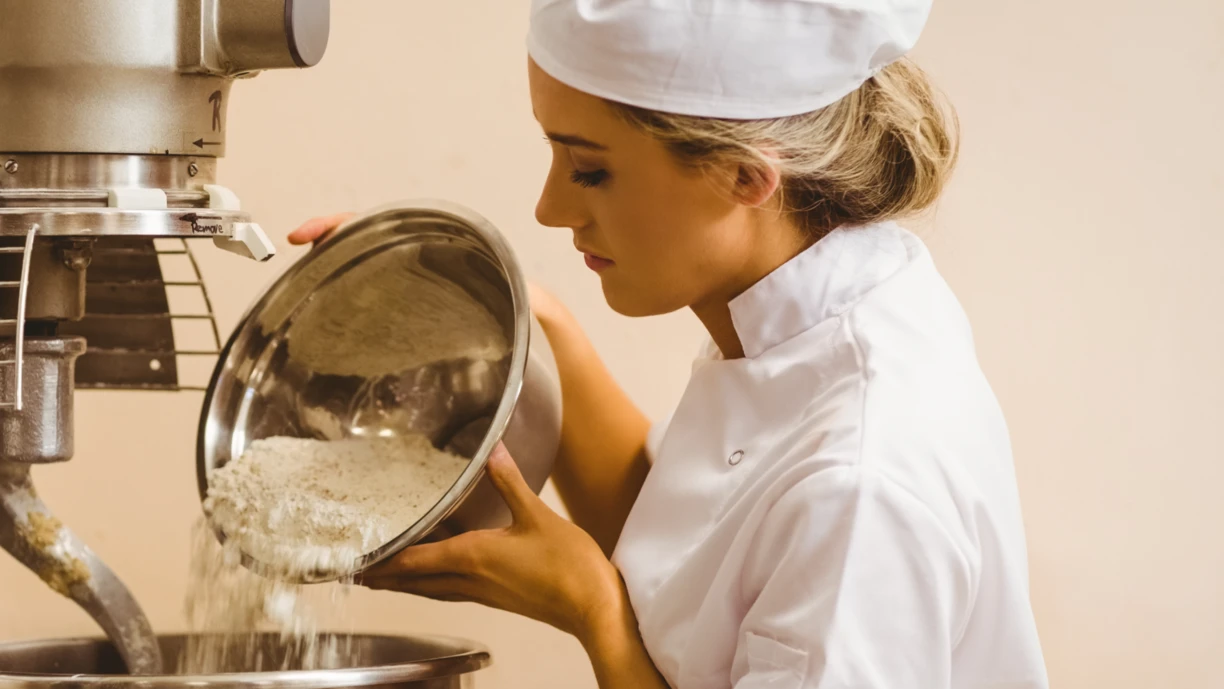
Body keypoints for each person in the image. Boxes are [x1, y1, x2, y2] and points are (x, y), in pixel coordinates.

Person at [288, 0, 1049, 687]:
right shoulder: (814, 305)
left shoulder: (861, 484)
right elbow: (701, 555)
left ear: (745, 177)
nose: (550, 208)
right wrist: (512, 310)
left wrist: (593, 610)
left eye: (590, 169)